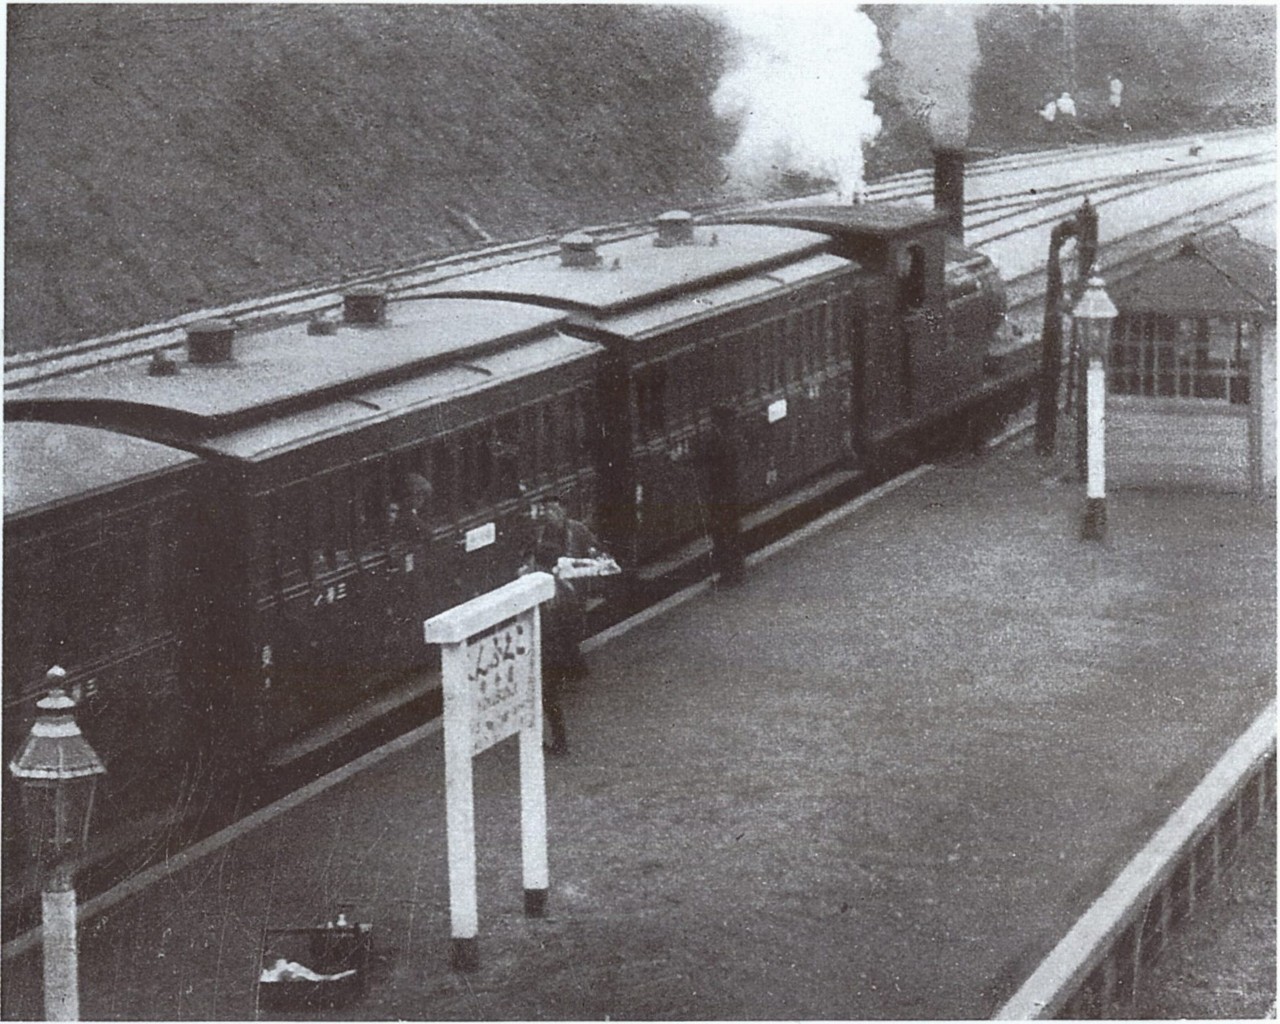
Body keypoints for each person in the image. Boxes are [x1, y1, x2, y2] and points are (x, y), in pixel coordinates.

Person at [520, 495, 606, 756]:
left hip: (549, 652)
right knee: (549, 697)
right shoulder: (556, 586)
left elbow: (592, 547)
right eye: (547, 509)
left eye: (554, 508)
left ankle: (556, 743)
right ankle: (557, 741)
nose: (550, 513)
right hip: (555, 650)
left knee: (545, 697)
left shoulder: (575, 532)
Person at [703, 404, 745, 586]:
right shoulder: (732, 438)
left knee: (722, 533)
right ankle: (735, 571)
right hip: (731, 493)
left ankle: (729, 574)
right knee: (731, 532)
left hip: (721, 494)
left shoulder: (721, 441)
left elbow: (710, 460)